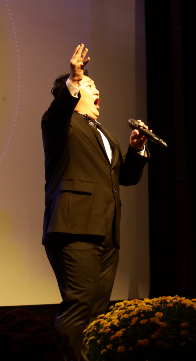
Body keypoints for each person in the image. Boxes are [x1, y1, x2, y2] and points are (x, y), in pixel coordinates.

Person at [41, 44, 150, 360]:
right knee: (80, 304)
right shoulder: (60, 124)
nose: (97, 89)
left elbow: (124, 179)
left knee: (99, 310)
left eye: (93, 84)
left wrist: (137, 150)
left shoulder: (107, 135)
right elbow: (58, 112)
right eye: (90, 86)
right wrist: (73, 81)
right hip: (74, 228)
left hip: (107, 232)